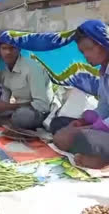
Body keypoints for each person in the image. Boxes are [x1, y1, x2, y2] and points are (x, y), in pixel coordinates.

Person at [51, 20, 109, 169]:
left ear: (103, 43)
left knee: (85, 138)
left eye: (88, 49)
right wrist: (84, 121)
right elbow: (104, 107)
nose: (86, 56)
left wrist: (88, 128)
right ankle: (97, 154)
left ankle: (101, 157)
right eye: (82, 52)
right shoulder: (103, 71)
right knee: (58, 123)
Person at [0, 37, 54, 130]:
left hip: (38, 114)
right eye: (4, 48)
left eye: (12, 48)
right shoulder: (4, 72)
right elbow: (4, 102)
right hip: (16, 111)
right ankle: (3, 122)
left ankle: (2, 122)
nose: (8, 52)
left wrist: (9, 107)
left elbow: (42, 105)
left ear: (18, 49)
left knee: (22, 116)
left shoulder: (32, 68)